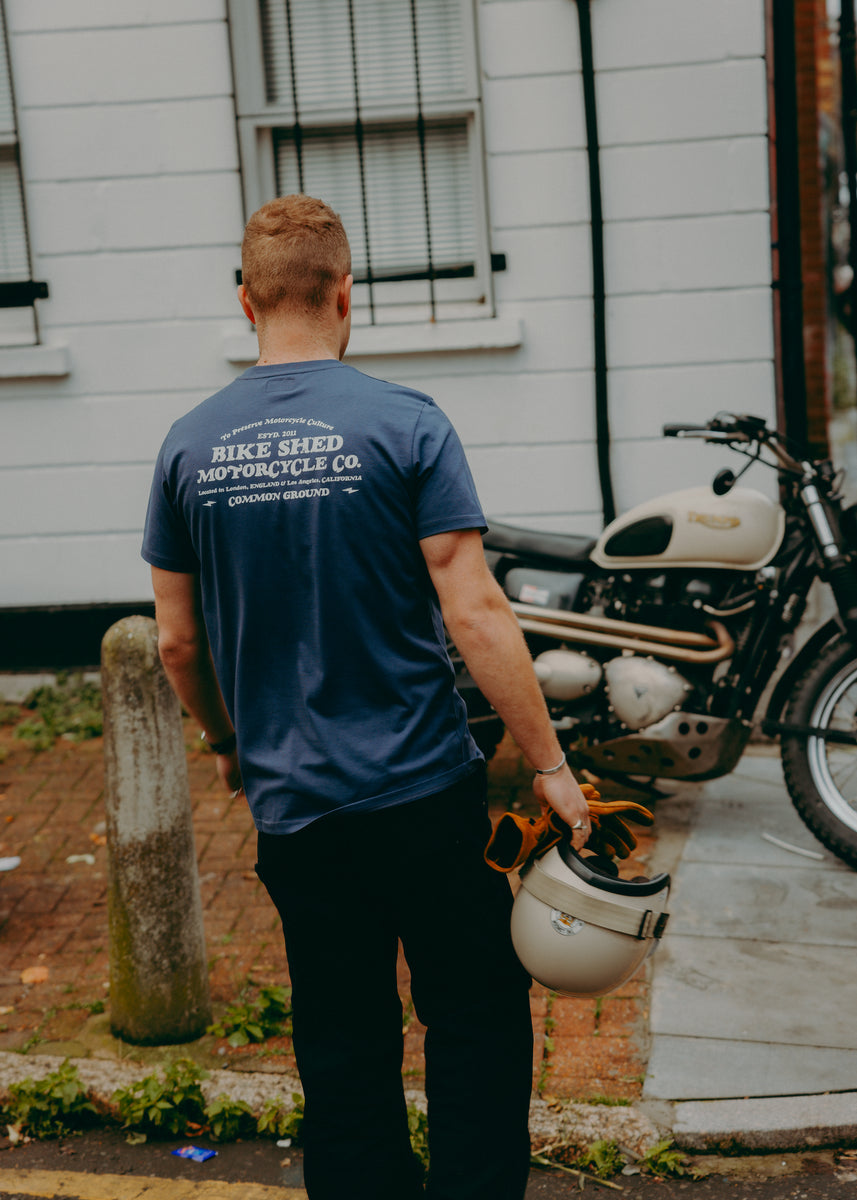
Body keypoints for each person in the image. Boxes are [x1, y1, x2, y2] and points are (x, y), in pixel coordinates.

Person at [142, 194, 592, 1200]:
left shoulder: (187, 446)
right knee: (473, 1012)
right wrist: (551, 769)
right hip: (425, 794)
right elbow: (474, 611)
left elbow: (177, 641)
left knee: (342, 1044)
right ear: (347, 295)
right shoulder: (407, 424)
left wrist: (224, 739)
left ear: (247, 300)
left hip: (296, 810)